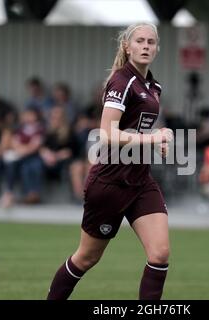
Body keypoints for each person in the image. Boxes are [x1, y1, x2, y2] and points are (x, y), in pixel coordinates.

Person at [47, 23, 173, 300]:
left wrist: (157, 139)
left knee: (160, 253)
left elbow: (135, 131)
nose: (146, 46)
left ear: (157, 48)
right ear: (127, 47)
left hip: (140, 181)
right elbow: (108, 134)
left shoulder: (153, 85)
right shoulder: (121, 81)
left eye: (151, 42)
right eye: (139, 41)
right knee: (86, 258)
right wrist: (151, 139)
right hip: (109, 183)